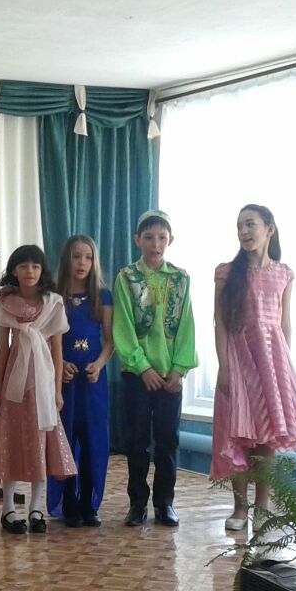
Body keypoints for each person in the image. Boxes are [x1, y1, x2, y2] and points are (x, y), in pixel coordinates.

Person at [212, 204, 296, 530]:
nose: (244, 231)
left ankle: (262, 508)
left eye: (250, 224)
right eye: (239, 226)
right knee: (239, 432)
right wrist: (224, 366)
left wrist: (284, 369)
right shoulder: (226, 272)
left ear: (269, 229)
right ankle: (239, 509)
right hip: (238, 358)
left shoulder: (284, 273)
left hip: (272, 361)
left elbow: (285, 325)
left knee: (267, 438)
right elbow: (220, 323)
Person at [112, 210, 198, 528]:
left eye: (162, 237)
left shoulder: (181, 279)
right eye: (149, 237)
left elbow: (187, 326)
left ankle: (165, 503)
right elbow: (122, 327)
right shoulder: (126, 278)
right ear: (138, 240)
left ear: (170, 240)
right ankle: (137, 504)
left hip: (170, 377)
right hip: (138, 376)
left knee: (168, 441)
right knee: (137, 442)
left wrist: (179, 369)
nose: (155, 244)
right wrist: (142, 367)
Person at [0, 245, 77, 535]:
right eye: (23, 266)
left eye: (35, 266)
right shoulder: (6, 302)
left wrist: (57, 391)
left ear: (43, 271)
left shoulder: (54, 303)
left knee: (40, 441)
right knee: (11, 439)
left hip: (42, 382)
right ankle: (8, 508)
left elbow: (57, 351)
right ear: (14, 271)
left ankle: (36, 507)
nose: (29, 271)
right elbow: (3, 346)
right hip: (14, 385)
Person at [47, 235, 113, 528]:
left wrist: (99, 365)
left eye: (87, 257)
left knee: (92, 439)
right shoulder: (54, 296)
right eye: (76, 256)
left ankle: (89, 501)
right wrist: (59, 365)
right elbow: (47, 338)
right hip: (64, 380)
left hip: (93, 379)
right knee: (65, 437)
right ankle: (68, 501)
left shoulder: (103, 296)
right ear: (67, 260)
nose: (82, 263)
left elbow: (109, 341)